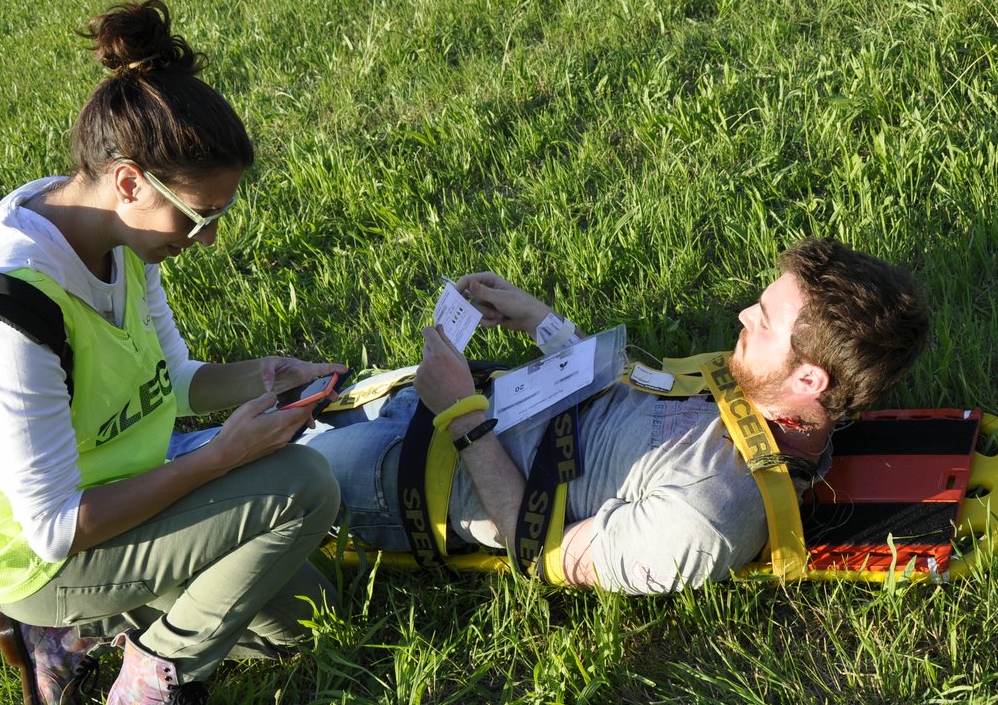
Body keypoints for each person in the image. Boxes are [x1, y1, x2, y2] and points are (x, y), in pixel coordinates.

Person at [0, 0, 343, 705]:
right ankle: (145, 699)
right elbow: (51, 526)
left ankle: (82, 632)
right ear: (130, 181)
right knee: (303, 486)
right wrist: (220, 459)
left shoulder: (113, 232)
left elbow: (174, 383)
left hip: (118, 487)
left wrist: (270, 375)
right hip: (36, 553)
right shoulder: (16, 312)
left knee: (307, 619)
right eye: (198, 216)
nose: (208, 238)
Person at [278, 240, 929, 592]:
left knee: (239, 472)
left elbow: (541, 550)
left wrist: (462, 414)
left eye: (762, 322)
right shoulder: (756, 394)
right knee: (272, 410)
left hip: (413, 475)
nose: (741, 318)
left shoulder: (710, 510)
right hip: (449, 401)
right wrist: (541, 321)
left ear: (810, 378)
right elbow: (629, 395)